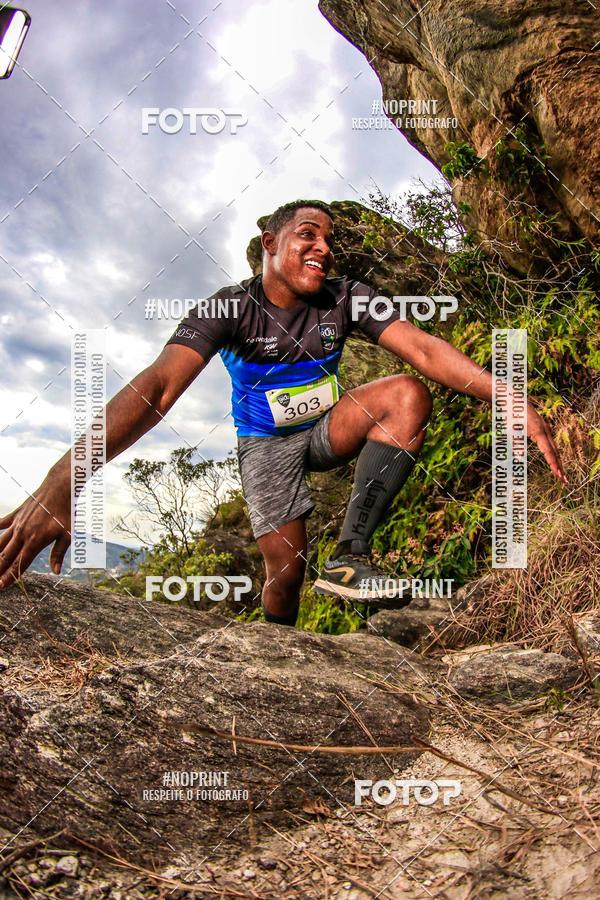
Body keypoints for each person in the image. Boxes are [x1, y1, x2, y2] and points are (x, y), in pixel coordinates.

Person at [0, 200, 567, 627]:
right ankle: (277, 648)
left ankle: (350, 557)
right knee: (286, 573)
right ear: (269, 242)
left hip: (323, 428)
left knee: (406, 393)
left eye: (329, 239)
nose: (322, 247)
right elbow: (160, 385)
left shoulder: (346, 297)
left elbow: (420, 349)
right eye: (307, 235)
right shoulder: (229, 307)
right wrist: (64, 477)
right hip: (265, 445)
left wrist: (508, 394)